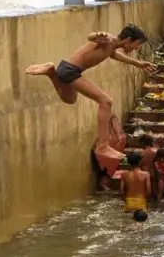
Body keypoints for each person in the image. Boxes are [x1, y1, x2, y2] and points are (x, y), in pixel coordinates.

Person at [25, 25, 156, 165]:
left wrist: (138, 64)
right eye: (137, 44)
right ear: (129, 40)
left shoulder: (111, 46)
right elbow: (91, 37)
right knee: (106, 101)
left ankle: (51, 72)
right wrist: (97, 34)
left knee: (70, 99)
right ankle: (103, 146)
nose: (136, 48)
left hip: (68, 70)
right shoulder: (108, 40)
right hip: (70, 70)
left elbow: (114, 55)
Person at [92, 115, 127, 190]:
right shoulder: (107, 134)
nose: (117, 125)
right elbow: (101, 147)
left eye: (118, 124)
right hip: (103, 155)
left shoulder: (118, 134)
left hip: (110, 155)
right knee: (107, 169)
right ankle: (103, 184)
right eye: (115, 124)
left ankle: (105, 184)